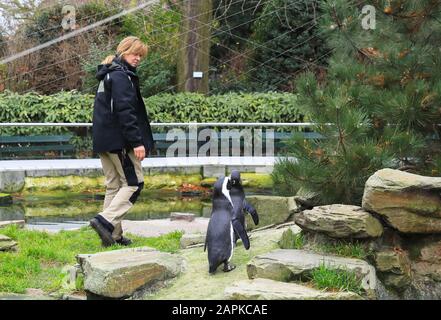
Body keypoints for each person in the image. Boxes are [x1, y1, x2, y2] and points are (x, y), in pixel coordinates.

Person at [89, 36, 155, 247]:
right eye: (135, 53)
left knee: (113, 186)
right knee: (134, 183)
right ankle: (105, 221)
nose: (138, 58)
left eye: (140, 55)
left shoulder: (107, 74)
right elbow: (126, 112)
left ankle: (112, 236)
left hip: (103, 140)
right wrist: (137, 142)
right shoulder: (120, 76)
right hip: (119, 141)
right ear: (124, 51)